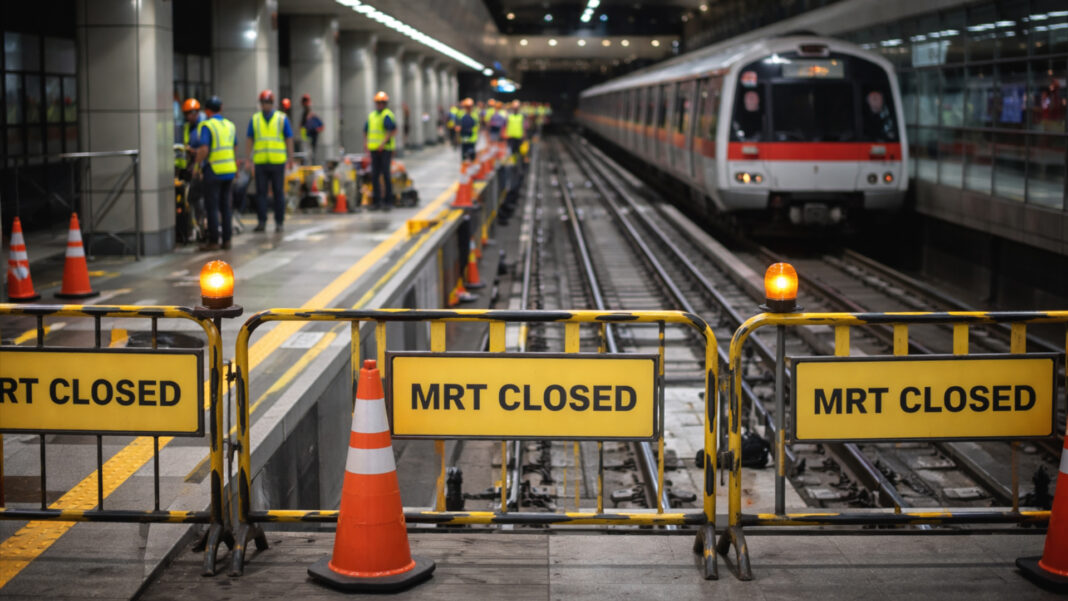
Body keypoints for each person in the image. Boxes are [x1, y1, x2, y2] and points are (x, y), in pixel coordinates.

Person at [243, 89, 294, 232]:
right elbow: (249, 139)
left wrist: (290, 158)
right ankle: (262, 222)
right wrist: (248, 159)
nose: (266, 105)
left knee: (278, 193)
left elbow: (289, 138)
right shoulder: (255, 119)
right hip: (260, 162)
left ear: (272, 103)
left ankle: (279, 222)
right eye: (264, 103)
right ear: (261, 104)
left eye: (268, 103)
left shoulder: (281, 118)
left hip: (278, 162)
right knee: (261, 194)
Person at [191, 95, 237, 251]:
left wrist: (197, 165)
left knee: (212, 207)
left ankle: (214, 242)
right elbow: (234, 146)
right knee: (226, 207)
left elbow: (204, 149)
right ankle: (227, 240)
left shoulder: (207, 126)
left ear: (207, 110)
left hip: (214, 171)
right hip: (229, 171)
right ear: (221, 108)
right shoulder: (230, 125)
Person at [364, 91, 398, 211]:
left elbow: (391, 131)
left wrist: (382, 144)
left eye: (382, 103)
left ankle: (388, 201)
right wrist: (366, 144)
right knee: (375, 176)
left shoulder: (387, 115)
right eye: (378, 103)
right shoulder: (372, 116)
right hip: (374, 149)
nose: (380, 105)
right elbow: (366, 130)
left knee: (386, 174)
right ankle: (377, 201)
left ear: (385, 103)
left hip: (385, 150)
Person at [175, 98, 202, 173]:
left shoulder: (203, 127)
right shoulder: (186, 127)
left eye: (194, 113)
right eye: (187, 114)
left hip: (199, 166)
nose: (191, 116)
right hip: (188, 166)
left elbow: (206, 149)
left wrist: (193, 151)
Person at [300, 93, 324, 164]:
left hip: (311, 135)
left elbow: (321, 125)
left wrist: (317, 129)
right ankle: (309, 163)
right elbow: (302, 125)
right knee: (307, 151)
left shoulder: (311, 113)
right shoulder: (305, 112)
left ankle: (311, 163)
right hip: (307, 134)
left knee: (310, 152)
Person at [456, 98, 478, 162]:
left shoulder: (474, 114)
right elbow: (457, 126)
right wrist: (457, 137)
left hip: (472, 137)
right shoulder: (460, 114)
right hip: (463, 137)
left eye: (470, 106)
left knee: (472, 155)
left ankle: (472, 167)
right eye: (467, 106)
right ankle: (465, 167)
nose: (468, 108)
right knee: (464, 154)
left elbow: (477, 126)